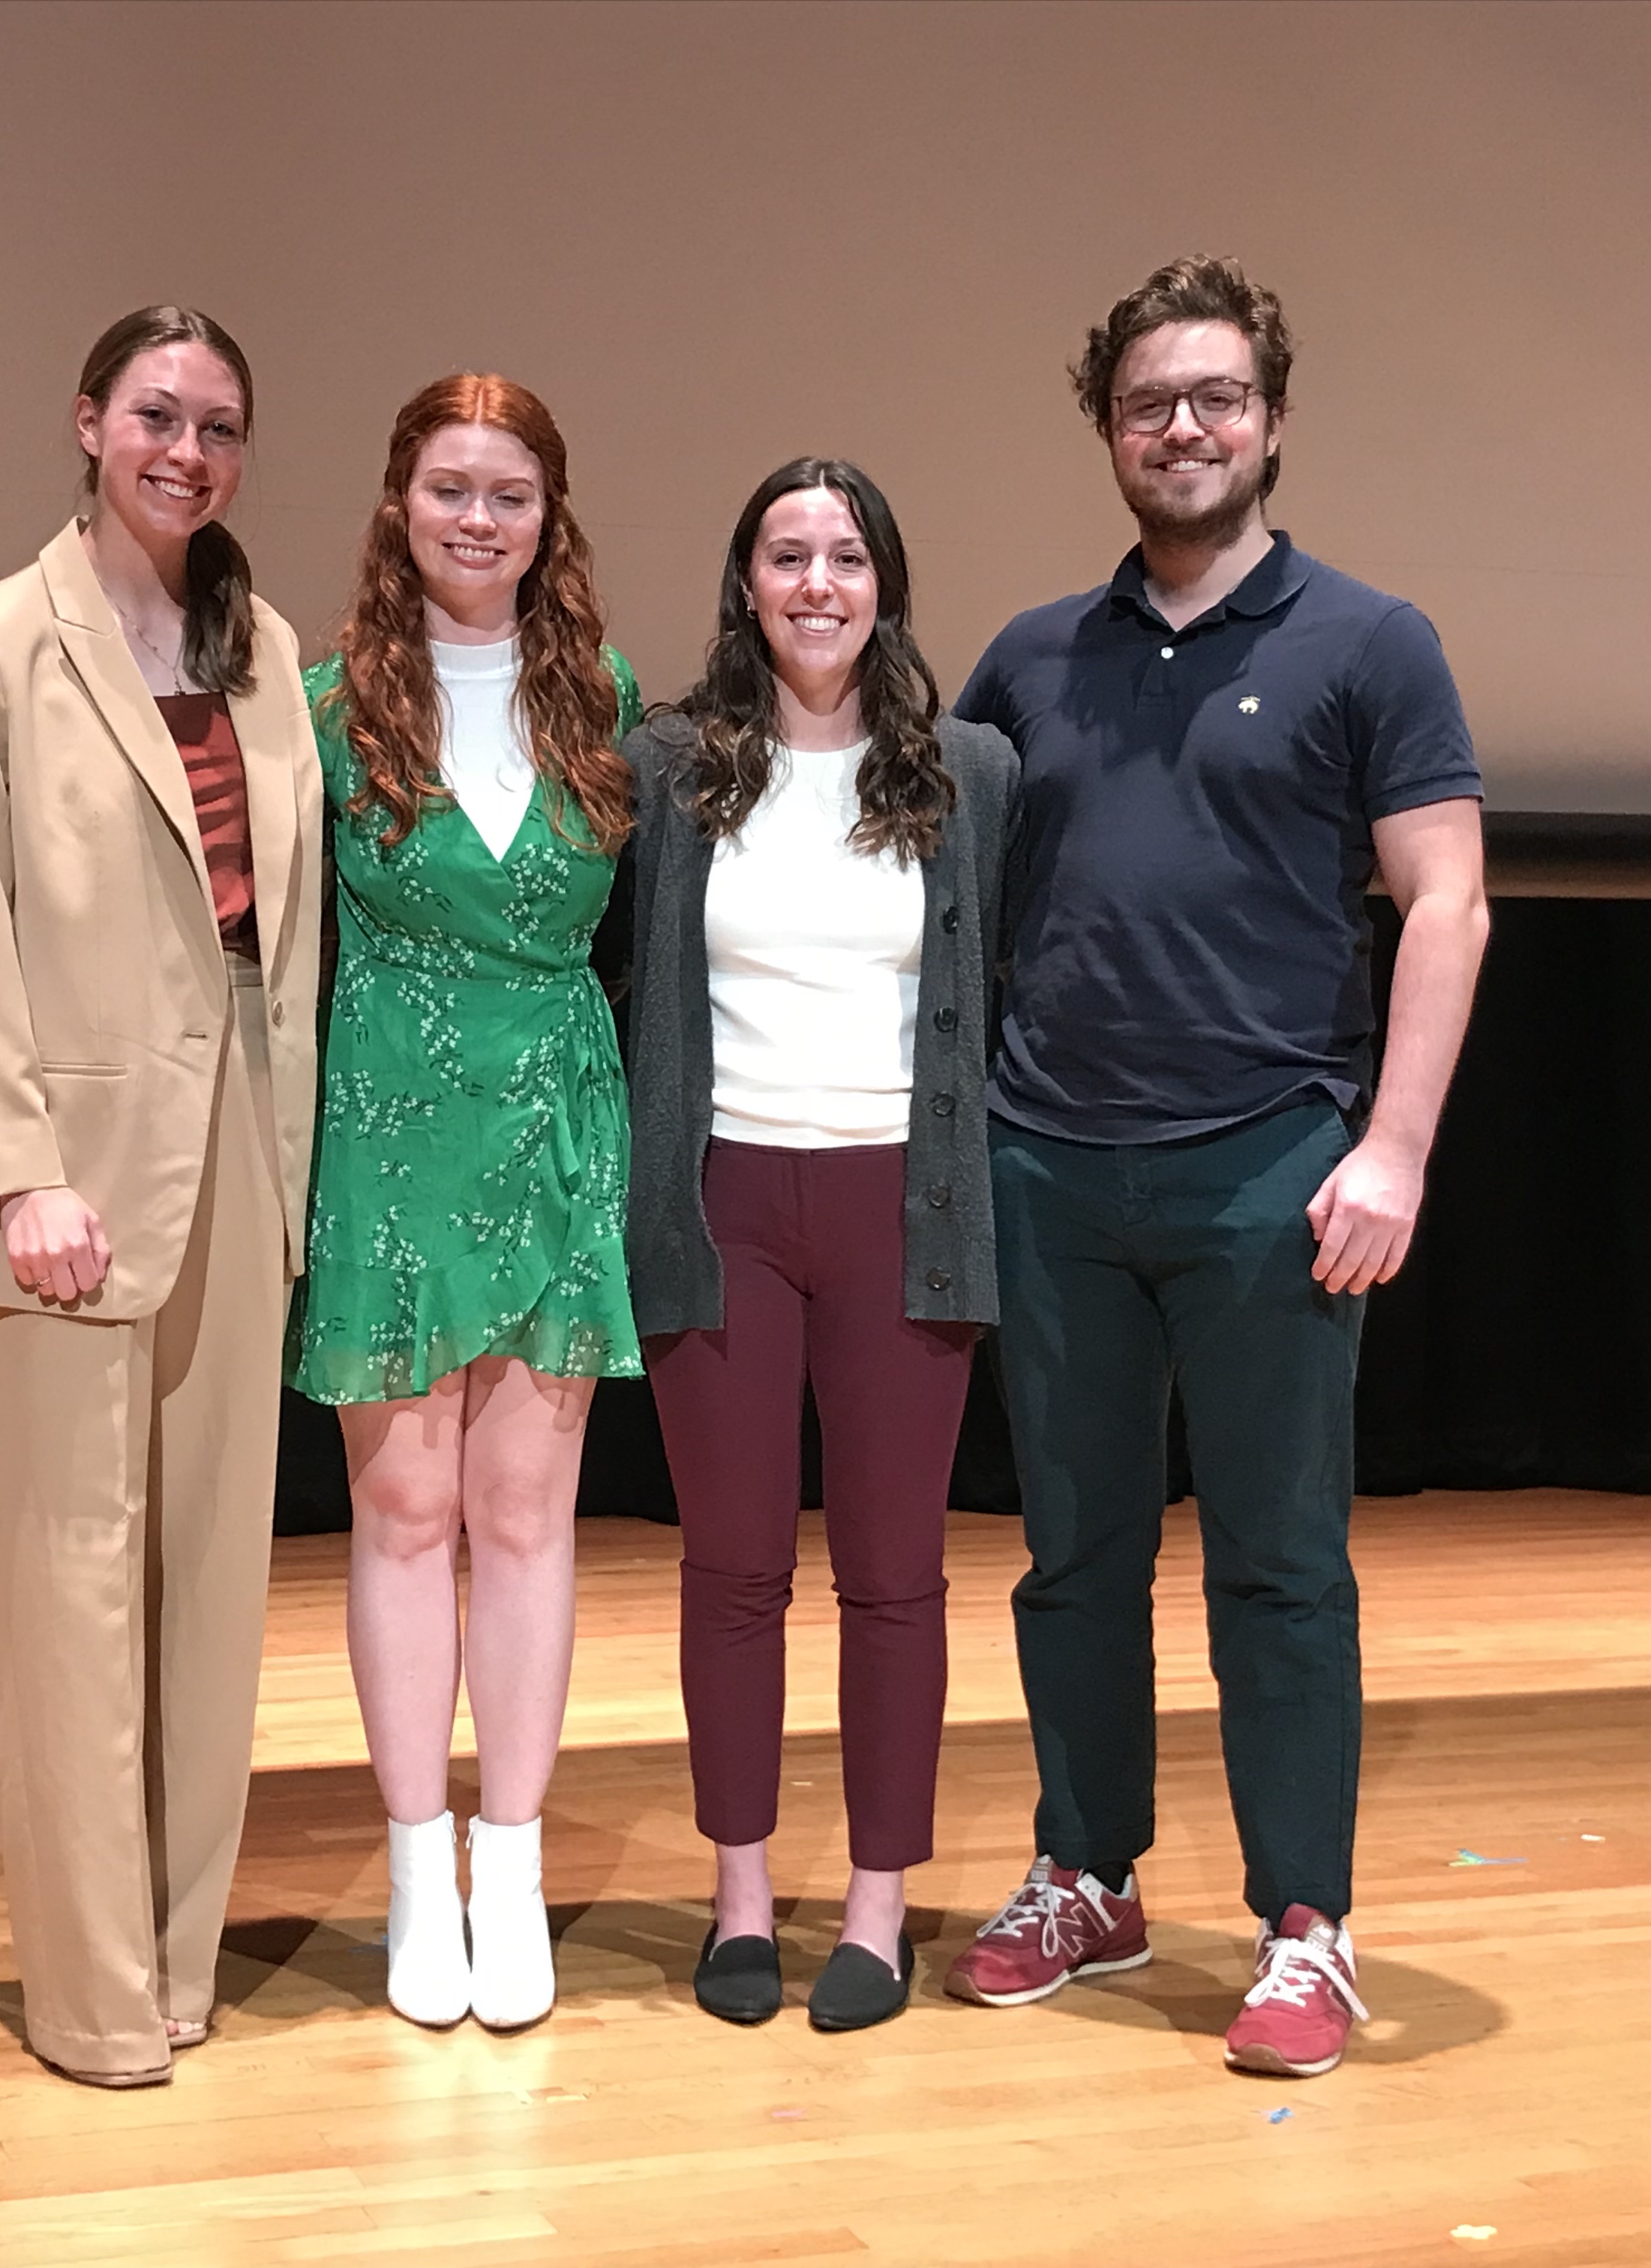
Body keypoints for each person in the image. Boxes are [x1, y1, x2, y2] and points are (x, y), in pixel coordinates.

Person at [943, 256, 1491, 2080]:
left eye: (1217, 398)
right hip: (1053, 1171)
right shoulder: (1031, 660)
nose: (1183, 427)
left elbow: (1448, 904)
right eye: (1148, 402)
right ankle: (1085, 1879)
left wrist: (1392, 1151)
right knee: (1073, 1557)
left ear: (1269, 418)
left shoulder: (1371, 641)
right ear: (1107, 429)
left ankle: (1307, 1929)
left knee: (1279, 1564)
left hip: (1273, 1172)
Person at [0, 307, 323, 2086]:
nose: (188, 450)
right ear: (89, 424)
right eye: (157, 414)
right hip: (64, 1169)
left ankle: (173, 1962)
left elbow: (278, 931)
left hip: (243, 1130)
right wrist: (18, 1175)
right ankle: (84, 1994)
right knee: (69, 1586)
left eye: (220, 425)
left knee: (213, 1578)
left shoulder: (262, 641)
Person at [621, 461, 1014, 2033]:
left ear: (884, 583)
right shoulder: (669, 766)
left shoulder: (970, 773)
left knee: (896, 1579)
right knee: (731, 1571)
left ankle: (871, 1913)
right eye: (787, 555)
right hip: (722, 1206)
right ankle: (738, 1901)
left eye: (846, 556)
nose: (817, 584)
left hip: (898, 1214)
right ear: (747, 583)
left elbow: (1001, 974)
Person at [290, 374, 644, 2032]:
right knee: (404, 1516)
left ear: (547, 514)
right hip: (388, 1136)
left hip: (554, 1130)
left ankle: (515, 1867)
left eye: (509, 492)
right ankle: (416, 1866)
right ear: (399, 503)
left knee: (525, 1519)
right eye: (450, 489)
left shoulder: (608, 700)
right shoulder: (326, 704)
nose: (479, 518)